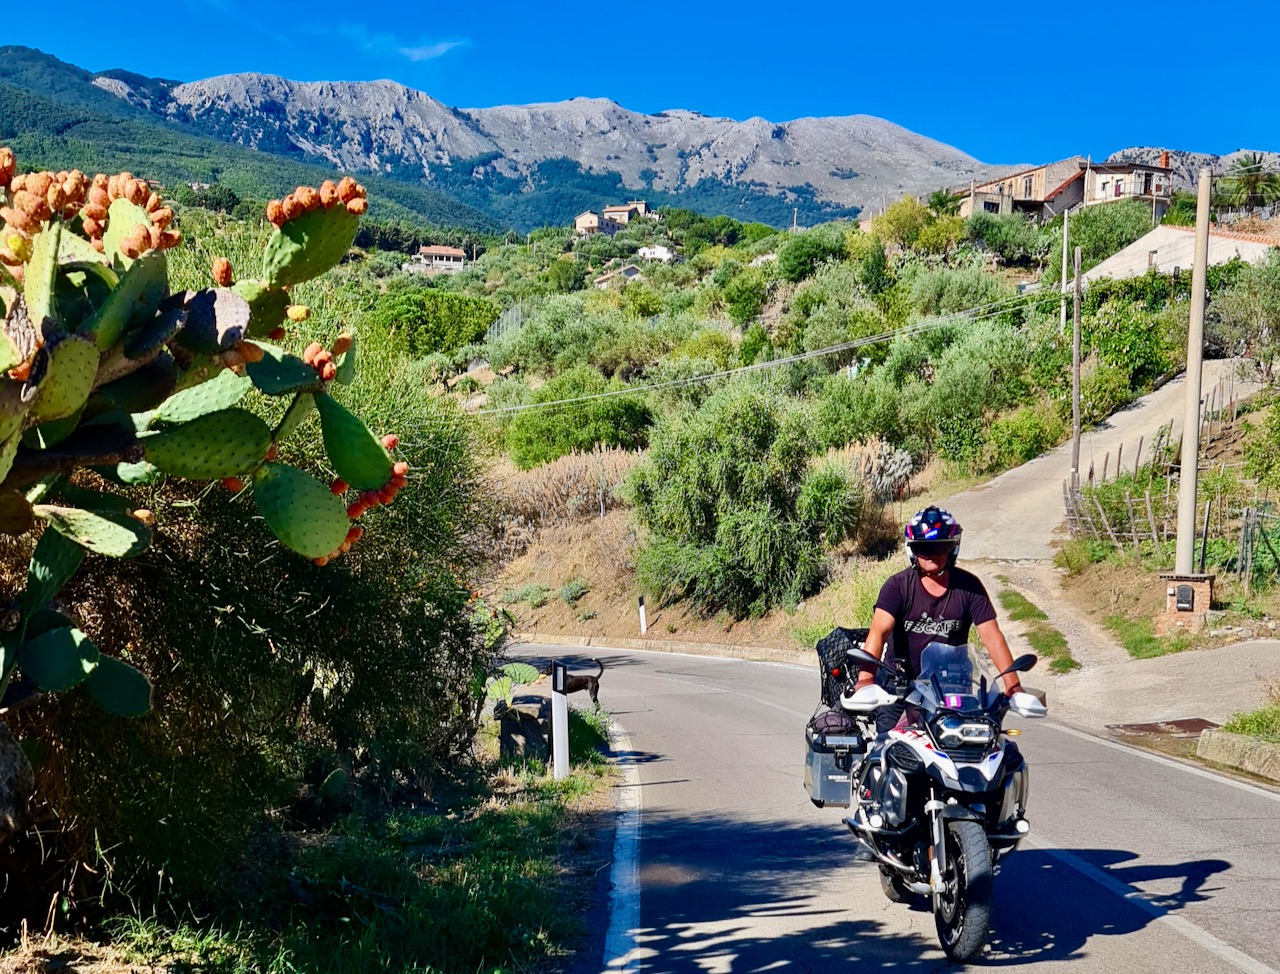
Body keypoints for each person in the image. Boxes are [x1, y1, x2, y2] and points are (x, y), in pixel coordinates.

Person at [853, 506, 1023, 734]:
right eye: (924, 547)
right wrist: (865, 680)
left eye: (940, 546)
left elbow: (992, 638)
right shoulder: (897, 587)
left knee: (982, 748)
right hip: (900, 688)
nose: (932, 554)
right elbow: (878, 632)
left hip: (953, 690)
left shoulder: (969, 587)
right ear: (912, 549)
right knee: (887, 749)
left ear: (952, 548)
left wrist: (1013, 686)